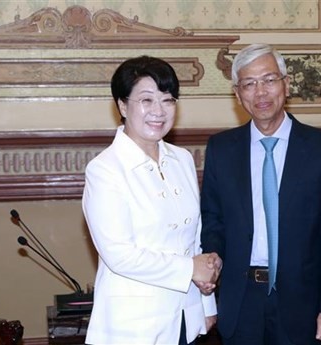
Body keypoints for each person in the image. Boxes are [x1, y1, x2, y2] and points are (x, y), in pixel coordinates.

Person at [200, 43, 321, 344]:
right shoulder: (221, 149)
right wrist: (211, 265)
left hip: (302, 302)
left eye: (269, 80)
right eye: (249, 84)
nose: (261, 92)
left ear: (286, 84)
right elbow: (213, 221)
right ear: (238, 95)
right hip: (240, 301)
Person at [82, 55, 222, 345]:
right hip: (134, 325)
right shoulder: (105, 169)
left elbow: (193, 239)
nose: (158, 111)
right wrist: (189, 269)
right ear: (122, 105)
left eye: (168, 100)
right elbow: (120, 254)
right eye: (146, 100)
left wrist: (206, 303)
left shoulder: (181, 159)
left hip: (185, 315)